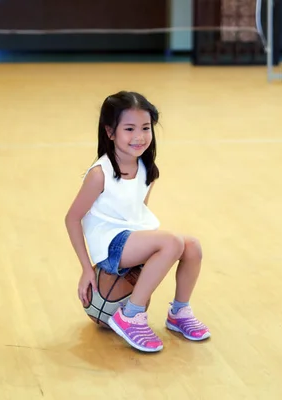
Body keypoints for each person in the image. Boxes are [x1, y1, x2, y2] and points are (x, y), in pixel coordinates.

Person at [64, 91, 210, 353]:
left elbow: (138, 213)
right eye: (129, 129)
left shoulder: (147, 170)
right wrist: (87, 268)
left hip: (130, 240)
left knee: (193, 247)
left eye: (145, 128)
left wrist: (147, 254)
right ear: (110, 132)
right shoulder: (100, 174)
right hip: (109, 247)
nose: (139, 136)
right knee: (171, 241)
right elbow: (72, 219)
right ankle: (131, 315)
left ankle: (179, 312)